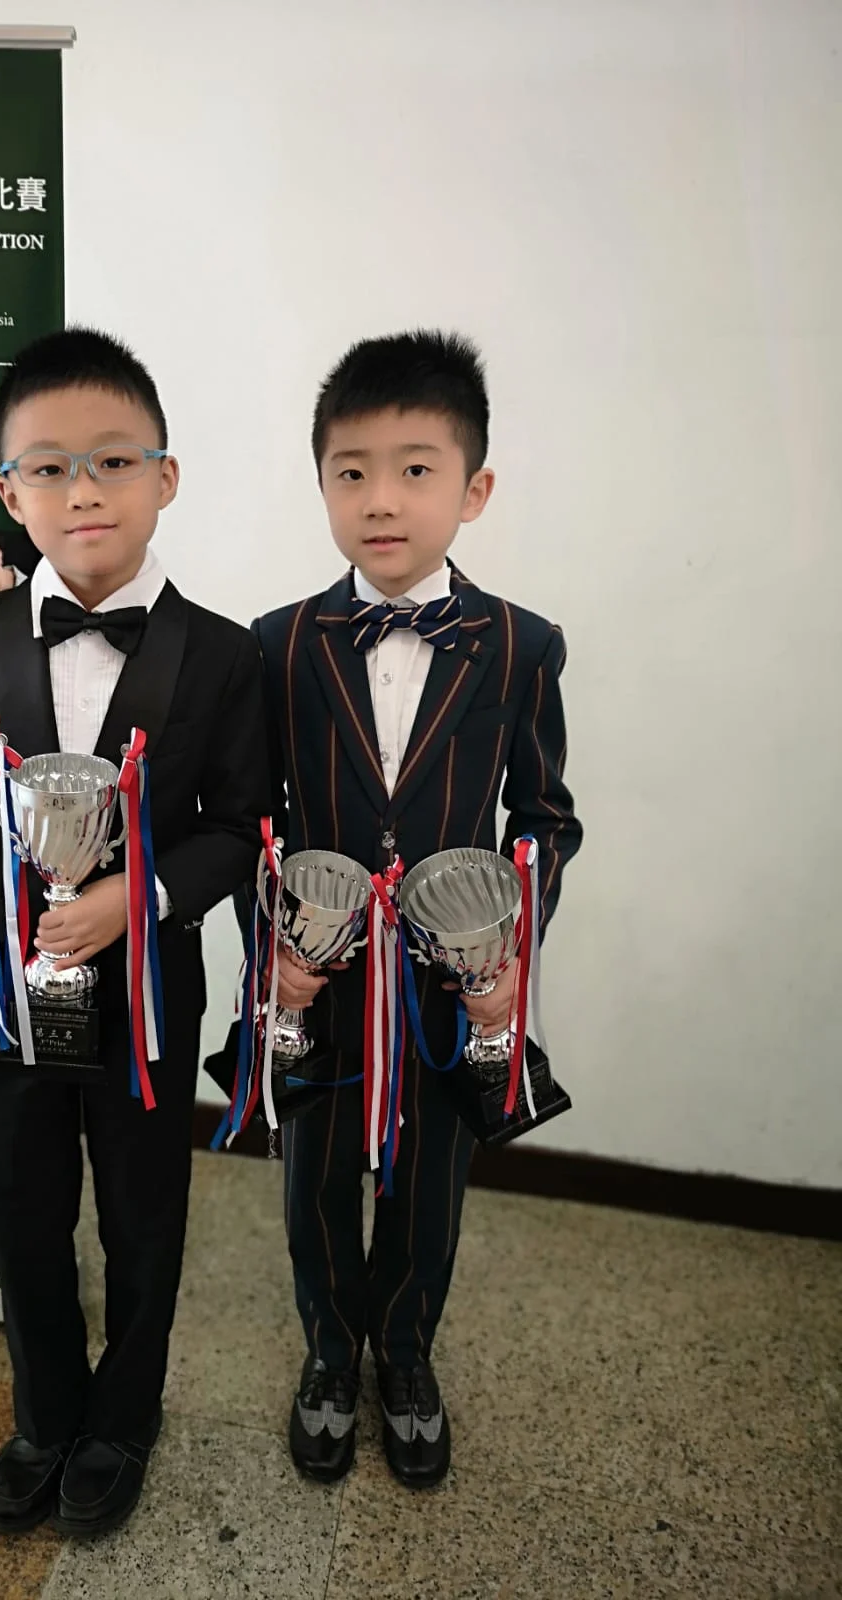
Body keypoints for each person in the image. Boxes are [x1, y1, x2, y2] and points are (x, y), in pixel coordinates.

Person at [0, 328, 267, 1539]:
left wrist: (139, 894)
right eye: (48, 468)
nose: (83, 489)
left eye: (114, 459)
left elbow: (242, 823)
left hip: (149, 1004)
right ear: (8, 493)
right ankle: (47, 1414)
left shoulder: (224, 654)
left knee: (145, 1217)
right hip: (6, 1006)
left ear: (166, 476)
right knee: (22, 1206)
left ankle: (123, 1417)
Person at [252, 331, 582, 1491]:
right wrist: (274, 963)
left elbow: (546, 818)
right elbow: (257, 825)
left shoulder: (520, 646)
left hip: (448, 991)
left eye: (415, 468)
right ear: (323, 485)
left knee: (431, 1188)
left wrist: (508, 953)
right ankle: (328, 1355)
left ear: (473, 488)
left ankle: (404, 1353)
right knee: (315, 1180)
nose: (380, 498)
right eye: (351, 470)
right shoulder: (278, 644)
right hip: (323, 979)